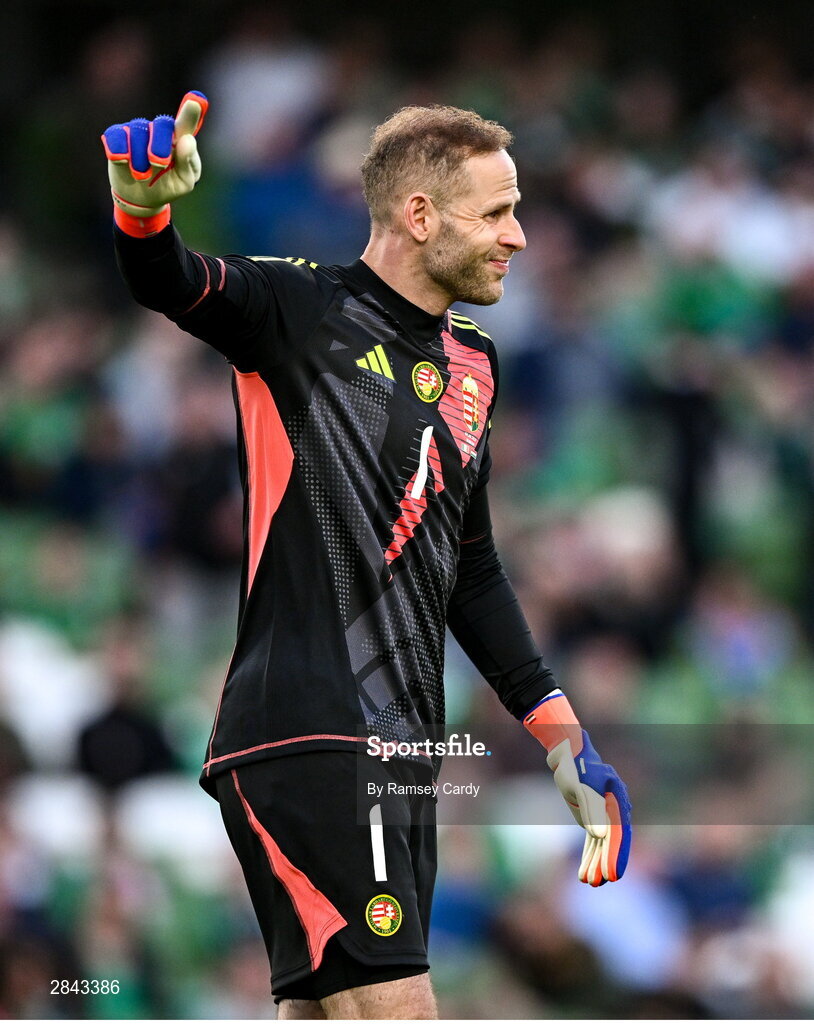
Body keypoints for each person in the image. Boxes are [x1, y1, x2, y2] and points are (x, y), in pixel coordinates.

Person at [102, 91, 632, 1020]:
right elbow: (172, 281)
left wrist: (559, 733)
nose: (519, 237)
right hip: (317, 728)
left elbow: (470, 566)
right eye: (498, 211)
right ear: (420, 214)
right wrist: (143, 212)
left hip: (396, 750)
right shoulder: (302, 309)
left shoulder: (476, 364)